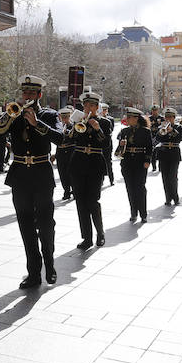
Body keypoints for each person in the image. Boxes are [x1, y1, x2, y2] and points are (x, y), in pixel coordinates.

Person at [0, 75, 65, 288]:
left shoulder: (50, 115)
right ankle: (33, 273)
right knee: (25, 226)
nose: (27, 97)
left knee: (45, 224)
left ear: (39, 95)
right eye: (25, 93)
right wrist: (9, 116)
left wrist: (37, 123)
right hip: (20, 177)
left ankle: (50, 263)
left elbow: (60, 138)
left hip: (42, 175)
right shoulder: (14, 115)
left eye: (31, 93)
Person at [69, 92, 111, 249]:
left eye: (91, 106)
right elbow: (69, 139)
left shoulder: (105, 123)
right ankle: (87, 237)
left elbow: (106, 145)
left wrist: (98, 129)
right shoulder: (79, 121)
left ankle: (100, 233)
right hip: (78, 164)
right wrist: (74, 126)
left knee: (93, 201)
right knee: (80, 202)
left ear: (97, 107)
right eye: (85, 106)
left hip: (95, 165)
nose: (88, 108)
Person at [117, 108, 153, 223]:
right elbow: (119, 151)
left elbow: (149, 147)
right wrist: (121, 145)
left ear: (136, 118)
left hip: (140, 161)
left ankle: (143, 213)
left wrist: (147, 160)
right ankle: (133, 212)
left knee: (140, 187)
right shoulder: (124, 131)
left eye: (129, 118)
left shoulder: (145, 131)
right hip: (127, 162)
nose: (126, 120)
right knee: (130, 188)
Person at [154, 107, 182, 206]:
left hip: (174, 153)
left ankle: (175, 197)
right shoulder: (161, 127)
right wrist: (162, 131)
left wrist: (172, 130)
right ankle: (168, 198)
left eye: (170, 117)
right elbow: (157, 138)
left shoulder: (179, 127)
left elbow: (180, 138)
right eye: (166, 117)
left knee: (173, 177)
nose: (168, 119)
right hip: (163, 153)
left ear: (174, 118)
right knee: (165, 177)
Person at [52, 106, 76, 201]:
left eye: (66, 117)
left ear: (69, 116)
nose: (64, 119)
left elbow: (74, 139)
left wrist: (68, 131)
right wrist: (55, 155)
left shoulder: (74, 126)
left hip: (71, 152)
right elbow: (57, 142)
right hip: (61, 152)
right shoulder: (58, 127)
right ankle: (66, 191)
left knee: (71, 173)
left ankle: (74, 190)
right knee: (62, 173)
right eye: (62, 117)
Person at [99, 102, 115, 186]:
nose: (104, 111)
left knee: (108, 162)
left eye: (105, 110)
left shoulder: (110, 120)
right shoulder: (97, 119)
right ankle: (101, 180)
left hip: (107, 143)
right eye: (103, 110)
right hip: (99, 143)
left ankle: (111, 179)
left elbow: (111, 130)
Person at [148, 105, 162, 172]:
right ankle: (154, 167)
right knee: (153, 152)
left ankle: (160, 167)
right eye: (153, 110)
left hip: (159, 136)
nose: (154, 112)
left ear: (158, 110)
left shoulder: (161, 118)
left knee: (159, 152)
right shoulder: (149, 118)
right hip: (151, 136)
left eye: (155, 110)